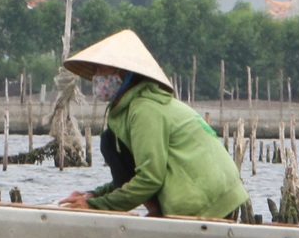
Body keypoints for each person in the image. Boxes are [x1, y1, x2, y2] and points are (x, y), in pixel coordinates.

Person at [57, 29, 249, 219]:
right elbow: (133, 175)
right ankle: (156, 210)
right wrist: (93, 195)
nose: (97, 78)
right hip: (208, 194)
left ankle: (157, 212)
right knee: (110, 140)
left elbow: (150, 178)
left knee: (109, 141)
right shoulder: (130, 110)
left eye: (102, 70)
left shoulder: (145, 110)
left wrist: (96, 206)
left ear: (124, 73)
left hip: (207, 201)